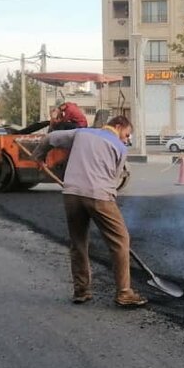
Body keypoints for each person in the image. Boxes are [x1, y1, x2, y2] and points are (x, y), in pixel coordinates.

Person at [37, 115, 147, 308]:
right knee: (120, 241)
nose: (127, 139)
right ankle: (124, 292)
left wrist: (38, 156)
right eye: (127, 134)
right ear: (118, 126)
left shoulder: (81, 133)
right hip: (99, 196)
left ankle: (81, 291)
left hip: (72, 194)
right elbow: (114, 179)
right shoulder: (120, 148)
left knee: (78, 242)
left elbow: (48, 139)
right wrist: (109, 199)